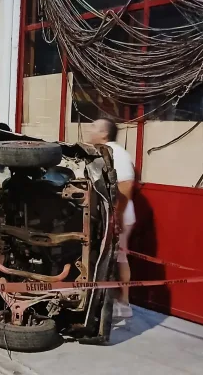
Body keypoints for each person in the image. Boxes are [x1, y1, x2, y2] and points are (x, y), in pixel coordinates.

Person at [87, 118, 136, 318]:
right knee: (107, 259)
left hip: (120, 216)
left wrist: (116, 217)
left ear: (104, 134)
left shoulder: (117, 153)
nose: (90, 130)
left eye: (94, 127)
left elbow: (126, 186)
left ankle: (124, 304)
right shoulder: (101, 150)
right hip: (110, 215)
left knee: (119, 258)